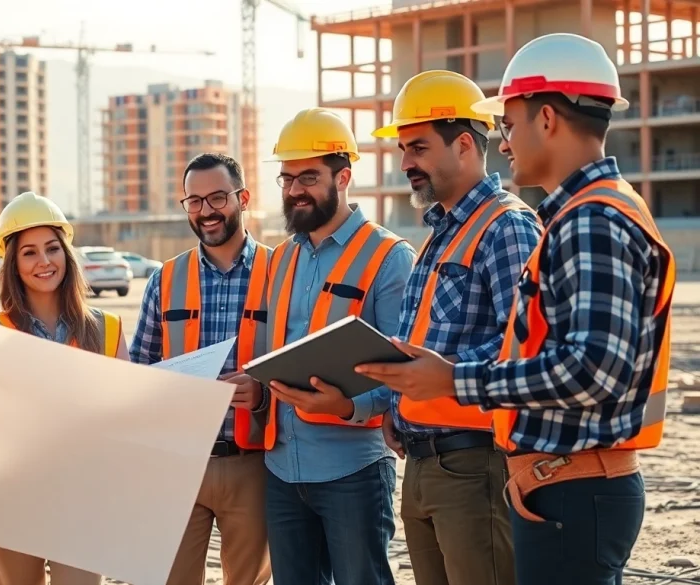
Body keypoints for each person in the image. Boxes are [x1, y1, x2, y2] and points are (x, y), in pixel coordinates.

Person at [357, 33, 676, 585]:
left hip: (574, 486)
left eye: (507, 124)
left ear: (546, 118)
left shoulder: (591, 220)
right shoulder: (583, 214)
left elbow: (595, 370)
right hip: (561, 482)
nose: (502, 143)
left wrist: (454, 380)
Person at [370, 70, 542, 585]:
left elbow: (525, 343)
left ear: (464, 144)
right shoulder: (441, 234)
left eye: (418, 148)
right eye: (403, 150)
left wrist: (442, 379)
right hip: (421, 462)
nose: (406, 164)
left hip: (475, 465)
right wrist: (397, 405)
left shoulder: (506, 226)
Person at [258, 107, 416, 585]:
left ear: (343, 176)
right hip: (282, 467)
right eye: (286, 179)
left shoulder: (389, 258)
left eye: (308, 177)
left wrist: (348, 406)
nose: (294, 190)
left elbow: (405, 373)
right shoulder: (280, 257)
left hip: (353, 470)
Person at [130, 153, 272, 585]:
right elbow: (139, 370)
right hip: (178, 463)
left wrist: (263, 393)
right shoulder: (165, 279)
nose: (206, 211)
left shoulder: (279, 271)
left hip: (252, 463)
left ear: (242, 198)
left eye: (216, 198)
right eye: (194, 201)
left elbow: (300, 362)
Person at [0, 190, 128, 585]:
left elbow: (126, 418)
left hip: (82, 501)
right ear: (13, 263)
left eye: (52, 248)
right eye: (29, 252)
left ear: (67, 253)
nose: (44, 261)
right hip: (13, 501)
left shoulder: (106, 329)